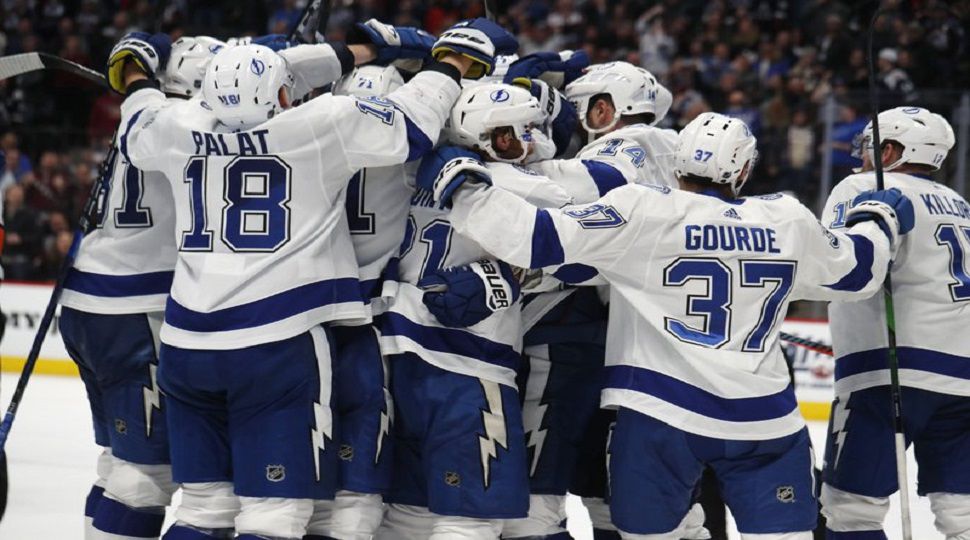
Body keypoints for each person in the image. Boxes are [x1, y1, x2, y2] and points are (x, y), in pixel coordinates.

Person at [417, 112, 914, 540]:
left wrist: (464, 186)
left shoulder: (645, 210)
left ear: (678, 164)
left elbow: (535, 238)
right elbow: (859, 271)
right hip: (764, 420)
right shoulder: (786, 218)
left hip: (659, 414)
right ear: (742, 169)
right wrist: (879, 217)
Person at [107, 17, 515, 539]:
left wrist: (137, 75)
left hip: (186, 344)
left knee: (205, 509)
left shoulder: (175, 126)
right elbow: (411, 126)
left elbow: (137, 114)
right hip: (276, 344)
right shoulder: (321, 124)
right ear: (281, 92)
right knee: (275, 512)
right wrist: (452, 60)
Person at [375, 81, 571, 540]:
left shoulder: (407, 168)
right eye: (521, 132)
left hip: (393, 350)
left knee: (407, 514)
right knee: (474, 519)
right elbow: (590, 235)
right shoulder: (519, 185)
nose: (529, 143)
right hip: (469, 363)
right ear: (495, 136)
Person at [819, 107, 969, 540]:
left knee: (851, 510)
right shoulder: (960, 203)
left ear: (890, 150)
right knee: (963, 513)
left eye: (871, 145)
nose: (863, 154)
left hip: (888, 371)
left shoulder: (864, 185)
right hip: (964, 377)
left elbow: (839, 267)